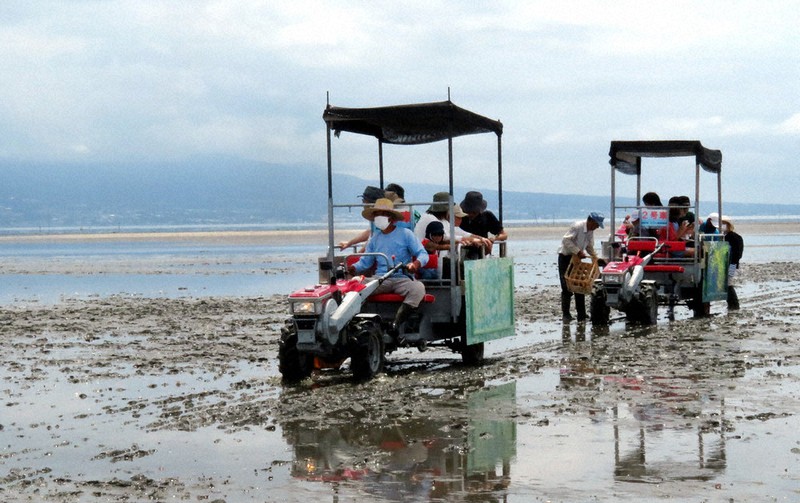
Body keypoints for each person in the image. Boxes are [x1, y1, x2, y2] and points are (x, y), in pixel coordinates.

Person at [347, 198, 429, 332]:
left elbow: (422, 254)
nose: (379, 218)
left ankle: (397, 323)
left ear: (391, 218)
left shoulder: (406, 234)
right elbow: (365, 262)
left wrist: (415, 264)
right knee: (354, 287)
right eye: (377, 214)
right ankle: (356, 324)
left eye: (383, 214)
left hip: (401, 277)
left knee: (418, 288)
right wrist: (353, 268)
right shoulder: (375, 239)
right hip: (380, 279)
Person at [557, 212, 604, 322]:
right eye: (596, 224)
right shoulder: (577, 226)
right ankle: (566, 314)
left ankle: (581, 314)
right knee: (566, 286)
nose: (596, 227)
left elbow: (589, 246)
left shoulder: (590, 231)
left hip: (577, 259)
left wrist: (595, 258)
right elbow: (566, 240)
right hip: (566, 257)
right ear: (590, 221)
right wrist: (577, 251)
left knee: (579, 284)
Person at [338, 185, 385, 250]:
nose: (362, 203)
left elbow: (371, 241)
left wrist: (359, 255)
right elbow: (370, 233)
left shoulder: (381, 220)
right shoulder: (374, 220)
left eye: (364, 201)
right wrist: (349, 243)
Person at [721, 216, 743, 310]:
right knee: (727, 283)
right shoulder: (734, 236)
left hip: (732, 264)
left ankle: (733, 304)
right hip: (733, 263)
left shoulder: (731, 237)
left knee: (728, 283)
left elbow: (737, 253)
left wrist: (732, 263)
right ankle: (732, 304)